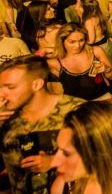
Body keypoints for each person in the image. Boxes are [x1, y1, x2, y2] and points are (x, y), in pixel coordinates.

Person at [0, 55, 85, 194]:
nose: (2, 94)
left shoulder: (77, 110)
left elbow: (105, 156)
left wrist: (55, 161)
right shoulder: (4, 118)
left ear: (37, 84)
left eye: (10, 87)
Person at [49, 23, 112, 101]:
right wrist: (44, 51)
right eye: (72, 42)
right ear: (62, 41)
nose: (78, 45)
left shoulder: (95, 51)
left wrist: (106, 69)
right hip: (77, 105)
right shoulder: (55, 62)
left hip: (103, 98)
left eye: (81, 40)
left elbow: (111, 75)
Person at [76, 0, 112, 73]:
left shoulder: (88, 21)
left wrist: (80, 43)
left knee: (107, 71)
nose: (76, 8)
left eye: (79, 6)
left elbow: (91, 40)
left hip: (101, 48)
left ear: (85, 9)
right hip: (106, 44)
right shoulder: (97, 16)